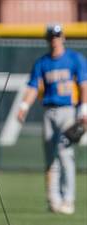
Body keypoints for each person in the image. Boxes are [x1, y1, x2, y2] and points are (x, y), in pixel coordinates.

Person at [17, 24, 87, 215]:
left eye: (57, 35)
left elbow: (83, 85)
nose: (54, 39)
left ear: (63, 37)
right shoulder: (42, 63)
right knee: (50, 158)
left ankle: (68, 200)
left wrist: (84, 109)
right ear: (47, 39)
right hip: (49, 112)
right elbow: (33, 87)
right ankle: (53, 200)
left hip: (68, 111)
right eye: (51, 36)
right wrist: (23, 106)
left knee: (65, 154)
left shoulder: (75, 59)